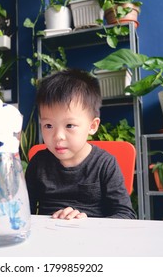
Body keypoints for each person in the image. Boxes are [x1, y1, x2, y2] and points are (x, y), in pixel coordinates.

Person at [25, 69, 136, 220]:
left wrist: (88, 223)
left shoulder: (104, 163)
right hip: (49, 237)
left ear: (92, 126)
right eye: (48, 126)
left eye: (70, 125)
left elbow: (126, 215)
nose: (58, 136)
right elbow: (23, 212)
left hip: (92, 238)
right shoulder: (39, 163)